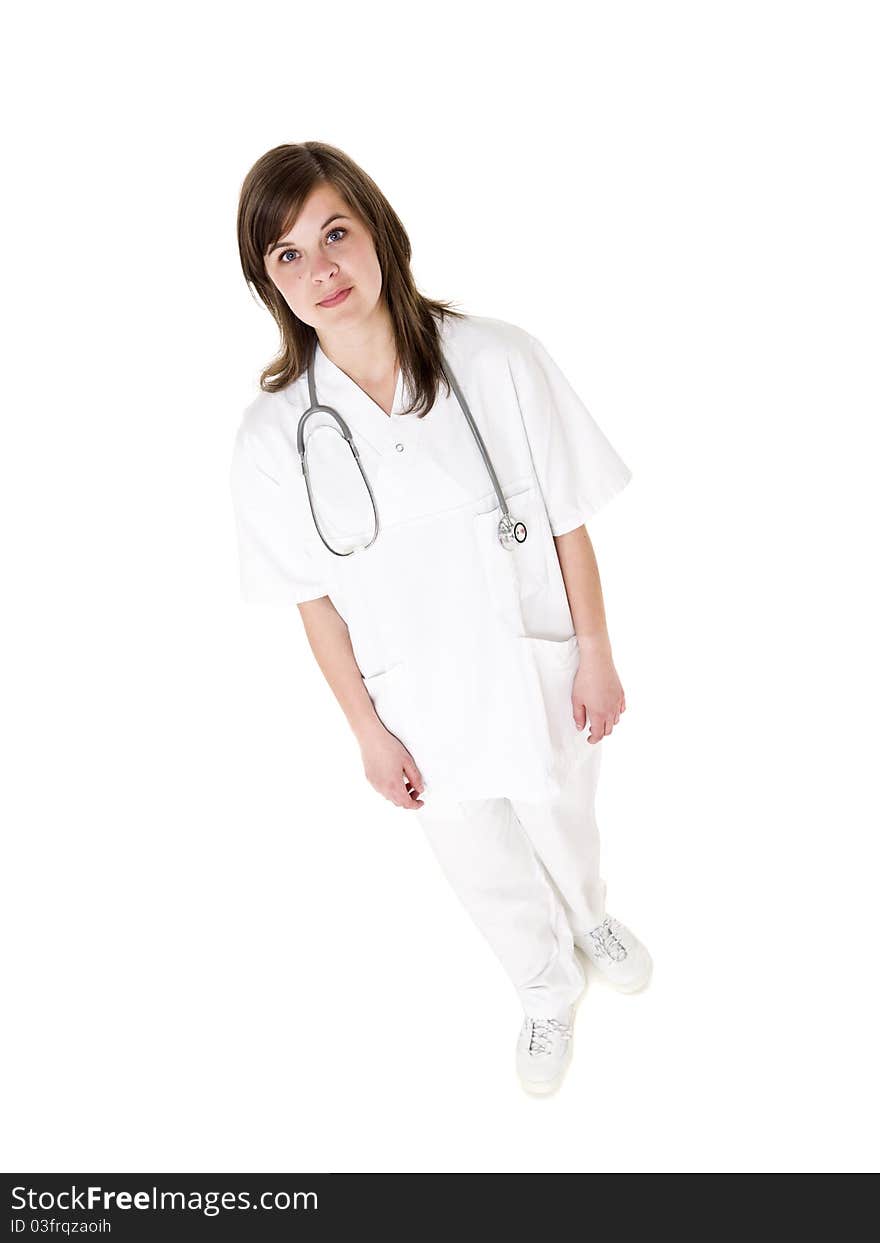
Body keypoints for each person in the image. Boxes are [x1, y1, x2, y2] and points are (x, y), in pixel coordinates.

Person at [230, 141, 652, 1096]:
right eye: (287, 254)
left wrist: (597, 654)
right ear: (267, 281)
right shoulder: (273, 436)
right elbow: (313, 599)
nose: (321, 269)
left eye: (334, 232)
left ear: (378, 228)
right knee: (481, 866)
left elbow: (567, 514)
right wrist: (368, 733)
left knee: (569, 823)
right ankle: (544, 989)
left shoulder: (496, 357)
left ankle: (588, 916)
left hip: (537, 665)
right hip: (418, 699)